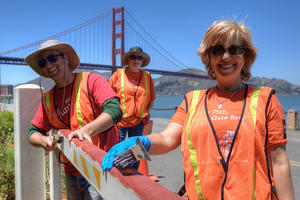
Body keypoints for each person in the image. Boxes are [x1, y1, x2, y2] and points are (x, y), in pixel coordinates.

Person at [102, 20, 295, 199]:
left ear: (246, 56)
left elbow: (279, 161)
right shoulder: (192, 100)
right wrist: (136, 144)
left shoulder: (266, 100)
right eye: (217, 50)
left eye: (235, 49)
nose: (226, 56)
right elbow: (166, 139)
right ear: (208, 58)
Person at [25, 40, 123, 200]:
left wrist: (86, 130)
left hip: (100, 169)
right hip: (72, 171)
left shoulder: (91, 81)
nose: (48, 65)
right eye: (43, 62)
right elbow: (33, 133)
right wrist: (44, 140)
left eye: (52, 58)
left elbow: (115, 110)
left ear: (66, 58)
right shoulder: (48, 99)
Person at [109, 46, 156, 142]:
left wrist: (145, 112)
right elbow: (108, 97)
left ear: (142, 61)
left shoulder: (147, 76)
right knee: (118, 150)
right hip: (119, 121)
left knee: (135, 151)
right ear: (128, 60)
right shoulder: (118, 74)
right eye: (133, 57)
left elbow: (152, 98)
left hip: (139, 122)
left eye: (140, 58)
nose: (136, 60)